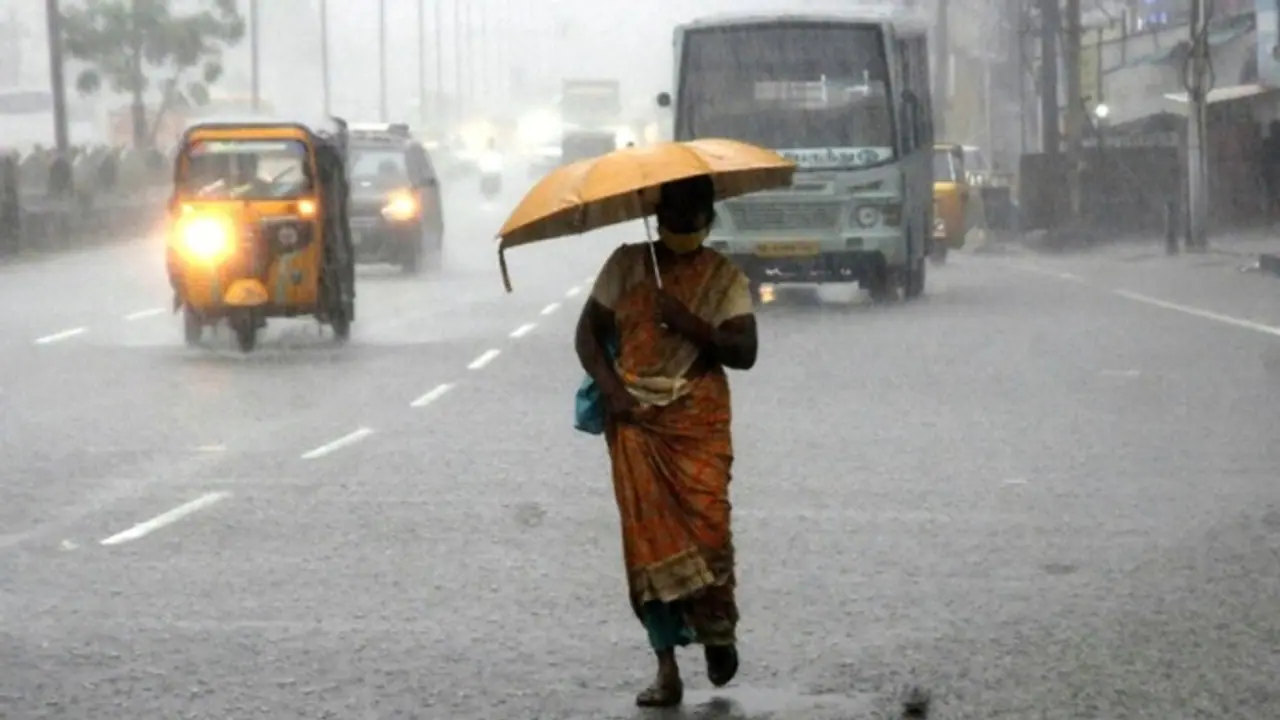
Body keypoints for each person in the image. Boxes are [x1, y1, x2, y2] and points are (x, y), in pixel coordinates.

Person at [574, 173, 759, 707]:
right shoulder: (627, 266)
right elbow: (587, 334)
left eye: (694, 219)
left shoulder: (722, 279)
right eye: (675, 217)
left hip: (697, 424)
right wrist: (615, 394)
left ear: (708, 220)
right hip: (635, 425)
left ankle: (717, 631)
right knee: (647, 549)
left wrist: (687, 322)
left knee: (710, 532)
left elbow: (744, 351)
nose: (684, 227)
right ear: (658, 216)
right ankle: (666, 668)